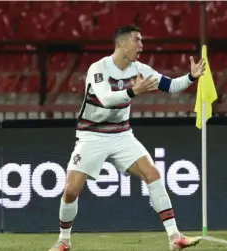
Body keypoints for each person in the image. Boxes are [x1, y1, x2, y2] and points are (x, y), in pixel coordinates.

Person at [49, 25, 205, 251]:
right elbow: (106, 99)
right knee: (71, 190)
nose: (141, 45)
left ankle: (175, 237)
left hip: (122, 134)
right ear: (122, 43)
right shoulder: (98, 68)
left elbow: (170, 86)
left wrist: (191, 77)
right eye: (137, 40)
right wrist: (134, 91)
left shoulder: (139, 69)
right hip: (92, 135)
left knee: (152, 173)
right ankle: (64, 240)